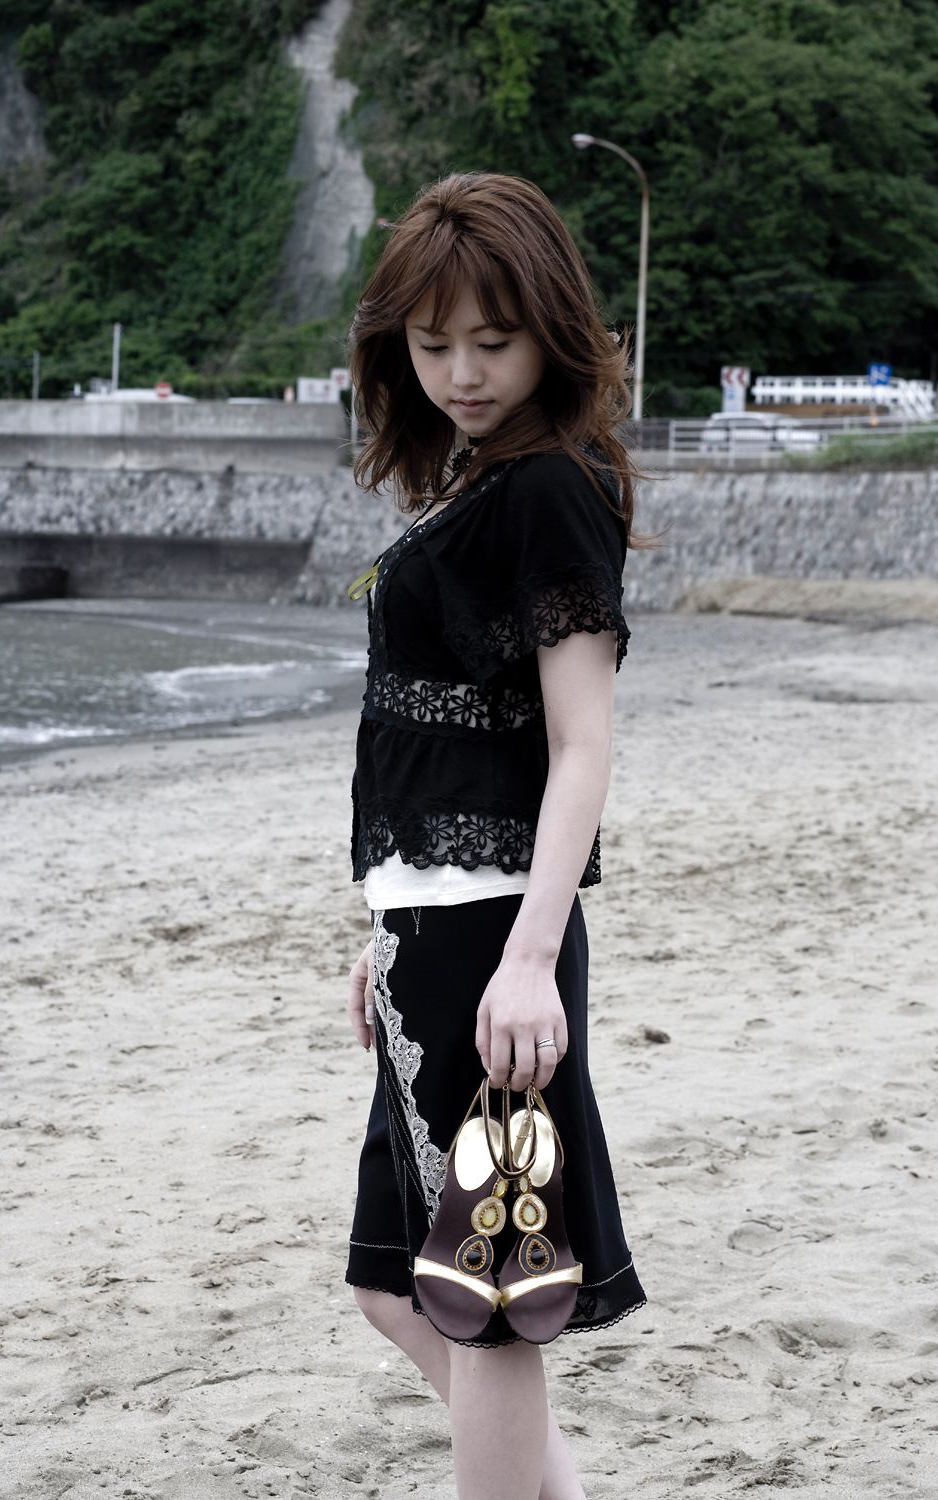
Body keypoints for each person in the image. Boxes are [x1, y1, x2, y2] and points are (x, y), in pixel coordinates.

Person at [344, 171, 649, 1500]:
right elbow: (442, 734)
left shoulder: (551, 489)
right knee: (398, 1287)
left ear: (551, 331)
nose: (462, 373)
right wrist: (384, 928)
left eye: (493, 341)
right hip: (434, 931)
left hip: (494, 942)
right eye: (433, 345)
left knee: (489, 1302)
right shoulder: (483, 476)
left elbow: (582, 743)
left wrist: (527, 961)